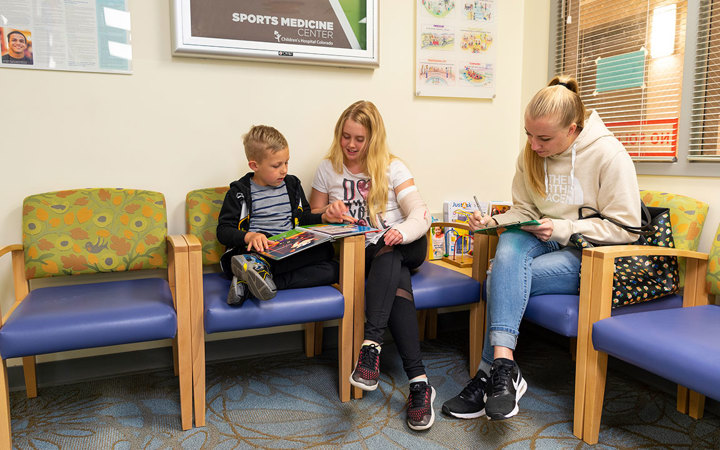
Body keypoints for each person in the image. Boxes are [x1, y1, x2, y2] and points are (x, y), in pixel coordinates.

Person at [442, 75, 641, 421]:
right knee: (509, 243)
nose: (533, 145)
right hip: (541, 238)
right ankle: (505, 367)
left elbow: (627, 229)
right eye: (528, 135)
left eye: (544, 138)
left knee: (499, 276)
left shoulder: (609, 155)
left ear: (573, 129)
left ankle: (488, 374)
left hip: (588, 254)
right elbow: (525, 211)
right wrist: (494, 223)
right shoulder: (532, 154)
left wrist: (563, 228)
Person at [309, 101, 434, 431]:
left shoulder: (394, 168)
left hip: (408, 242)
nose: (350, 145)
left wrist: (399, 232)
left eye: (359, 139)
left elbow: (420, 214)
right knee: (391, 267)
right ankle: (419, 383)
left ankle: (371, 346)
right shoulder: (328, 169)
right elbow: (310, 220)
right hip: (364, 253)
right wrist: (327, 215)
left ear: (373, 139)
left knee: (390, 248)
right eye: (345, 136)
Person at [216, 125, 345, 306]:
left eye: (286, 162)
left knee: (332, 264)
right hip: (257, 251)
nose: (284, 170)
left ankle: (249, 282)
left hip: (288, 250)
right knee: (257, 253)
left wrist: (323, 218)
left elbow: (304, 218)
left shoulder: (291, 185)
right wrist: (250, 236)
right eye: (276, 165)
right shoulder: (239, 192)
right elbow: (223, 231)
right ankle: (255, 267)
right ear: (255, 165)